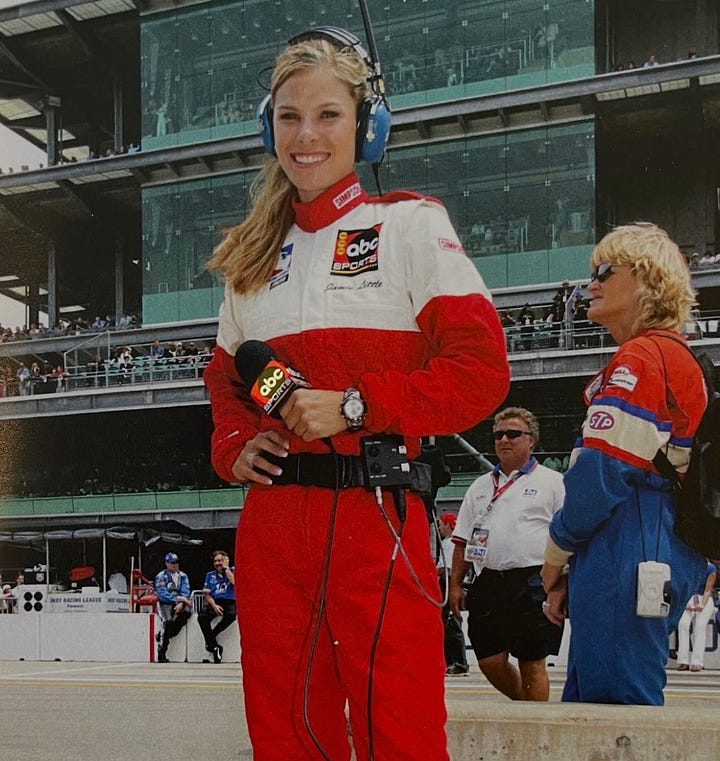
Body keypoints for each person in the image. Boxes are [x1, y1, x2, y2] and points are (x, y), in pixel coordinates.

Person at [202, 26, 509, 761]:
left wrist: (355, 405)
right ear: (268, 128)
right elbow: (227, 382)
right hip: (274, 523)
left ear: (367, 126)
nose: (306, 135)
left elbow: (480, 371)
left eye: (328, 115)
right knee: (284, 734)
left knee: (399, 730)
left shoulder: (409, 225)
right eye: (289, 116)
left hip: (377, 513)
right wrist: (235, 444)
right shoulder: (248, 258)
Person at [541, 223, 708, 705]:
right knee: (595, 704)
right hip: (643, 533)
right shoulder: (664, 354)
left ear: (646, 279)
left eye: (603, 272)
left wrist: (555, 556)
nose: (590, 284)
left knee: (616, 713)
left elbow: (599, 474)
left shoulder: (644, 354)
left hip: (631, 534)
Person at [449, 407, 565, 701]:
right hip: (489, 580)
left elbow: (567, 536)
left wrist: (561, 582)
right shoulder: (480, 486)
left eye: (513, 434)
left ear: (531, 440)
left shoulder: (553, 482)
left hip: (533, 580)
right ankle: (525, 705)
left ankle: (534, 722)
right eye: (498, 435)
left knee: (531, 661)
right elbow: (461, 540)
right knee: (489, 660)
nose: (504, 440)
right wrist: (455, 584)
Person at [436, 512, 469, 676]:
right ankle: (451, 661)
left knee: (451, 623)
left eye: (441, 524)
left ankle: (459, 662)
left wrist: (432, 571)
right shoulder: (446, 544)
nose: (439, 528)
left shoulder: (449, 544)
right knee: (446, 623)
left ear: (448, 525)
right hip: (446, 584)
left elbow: (447, 568)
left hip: (448, 583)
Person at [676, 560, 718, 672]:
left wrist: (702, 605)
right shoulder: (688, 565)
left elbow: (708, 589)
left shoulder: (711, 569)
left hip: (704, 598)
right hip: (689, 597)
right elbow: (683, 586)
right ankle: (683, 660)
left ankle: (697, 662)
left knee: (700, 627)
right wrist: (685, 603)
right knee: (683, 625)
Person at [197, 550, 236, 663]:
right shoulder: (210, 575)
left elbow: (234, 582)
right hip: (215, 601)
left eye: (220, 560)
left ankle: (211, 637)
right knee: (202, 616)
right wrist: (214, 605)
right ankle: (214, 646)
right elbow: (207, 594)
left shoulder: (232, 571)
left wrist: (226, 568)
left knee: (231, 615)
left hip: (229, 600)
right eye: (215, 561)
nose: (217, 563)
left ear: (225, 560)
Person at [153, 552, 192, 663]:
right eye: (172, 563)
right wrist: (178, 599)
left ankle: (164, 634)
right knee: (168, 621)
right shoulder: (161, 576)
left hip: (179, 602)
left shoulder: (183, 576)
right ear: (167, 563)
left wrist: (181, 602)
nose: (175, 565)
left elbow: (185, 591)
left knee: (187, 612)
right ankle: (162, 652)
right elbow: (162, 594)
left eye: (176, 562)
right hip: (164, 603)